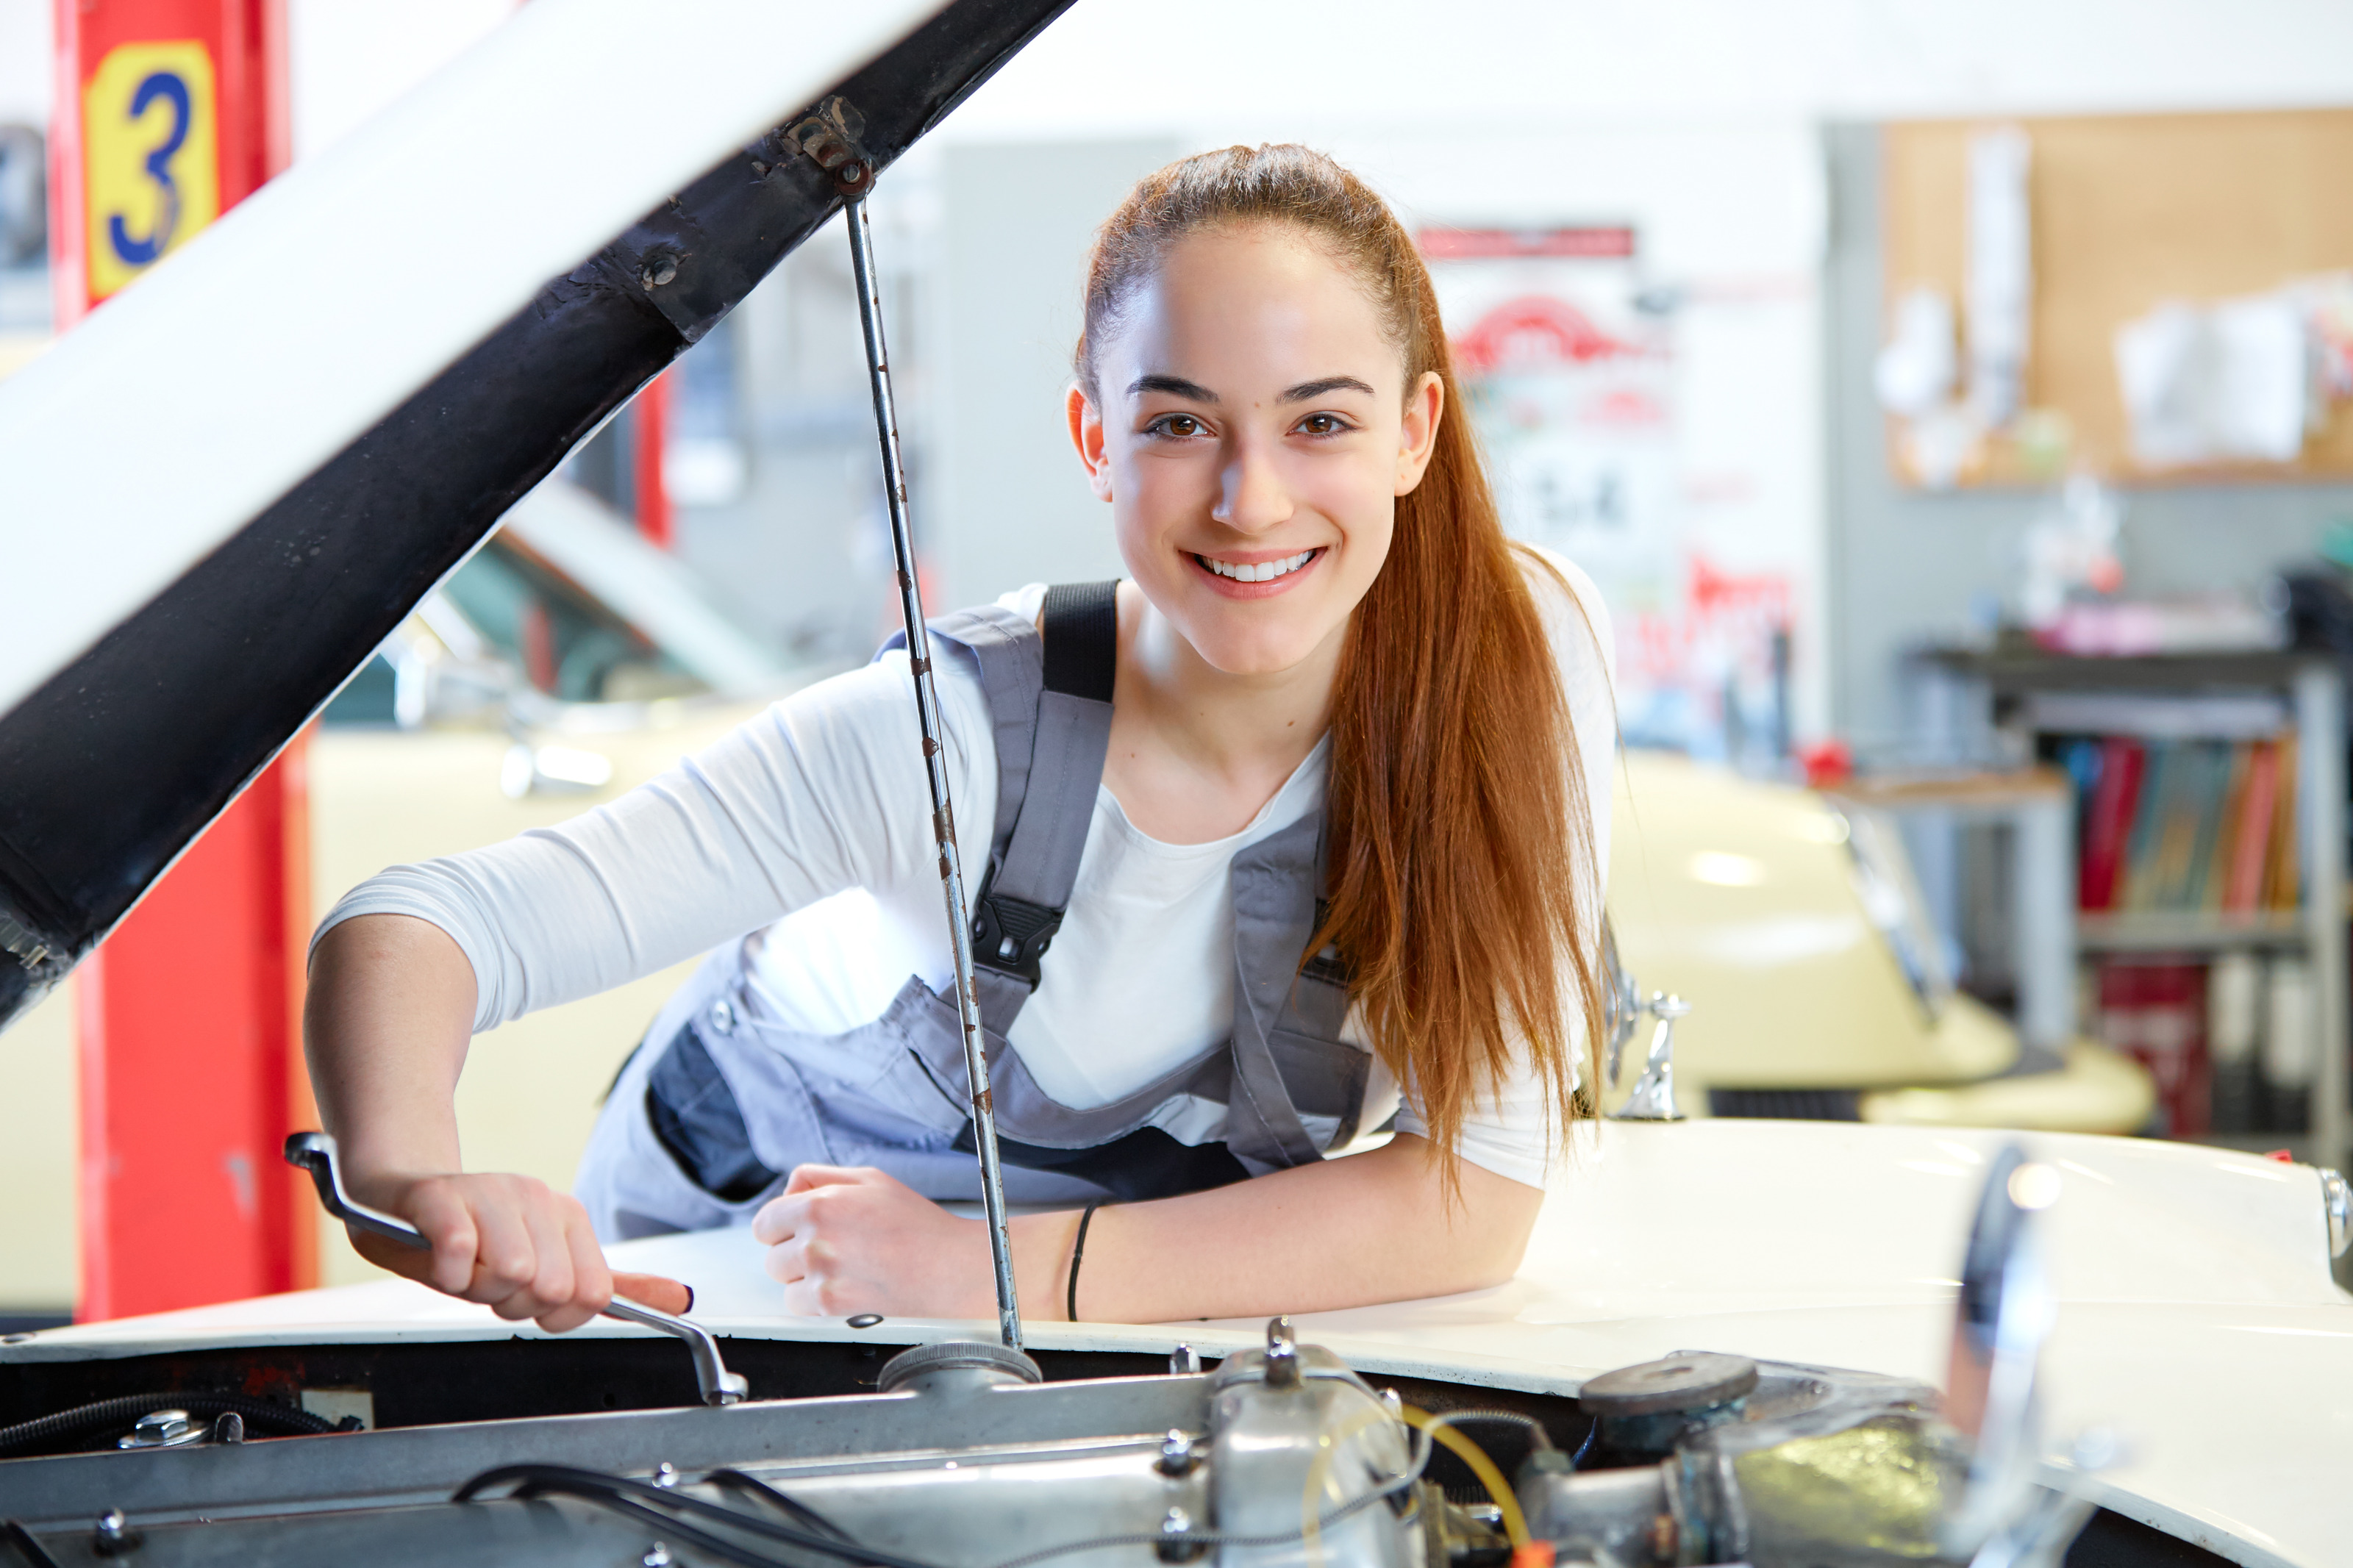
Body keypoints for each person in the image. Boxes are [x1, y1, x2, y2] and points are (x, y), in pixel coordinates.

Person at [304, 144, 1616, 1334]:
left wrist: (999, 1272)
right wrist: (415, 1172)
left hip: (1054, 1305)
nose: (1250, 497)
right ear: (1095, 441)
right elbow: (426, 923)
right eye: (1178, 423)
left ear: (1416, 431)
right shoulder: (953, 740)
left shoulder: (1519, 661)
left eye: (1318, 420)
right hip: (736, 1277)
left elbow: (1475, 1197)